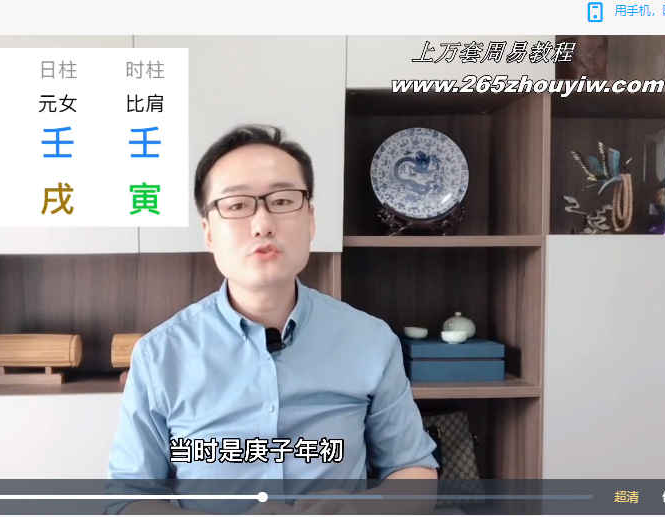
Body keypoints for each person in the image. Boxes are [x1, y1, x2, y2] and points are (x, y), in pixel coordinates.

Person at [108, 125, 438, 513]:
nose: (262, 224)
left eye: (282, 201)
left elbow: (413, 470)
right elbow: (129, 497)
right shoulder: (159, 354)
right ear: (208, 232)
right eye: (237, 205)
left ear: (311, 220)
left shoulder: (370, 341)